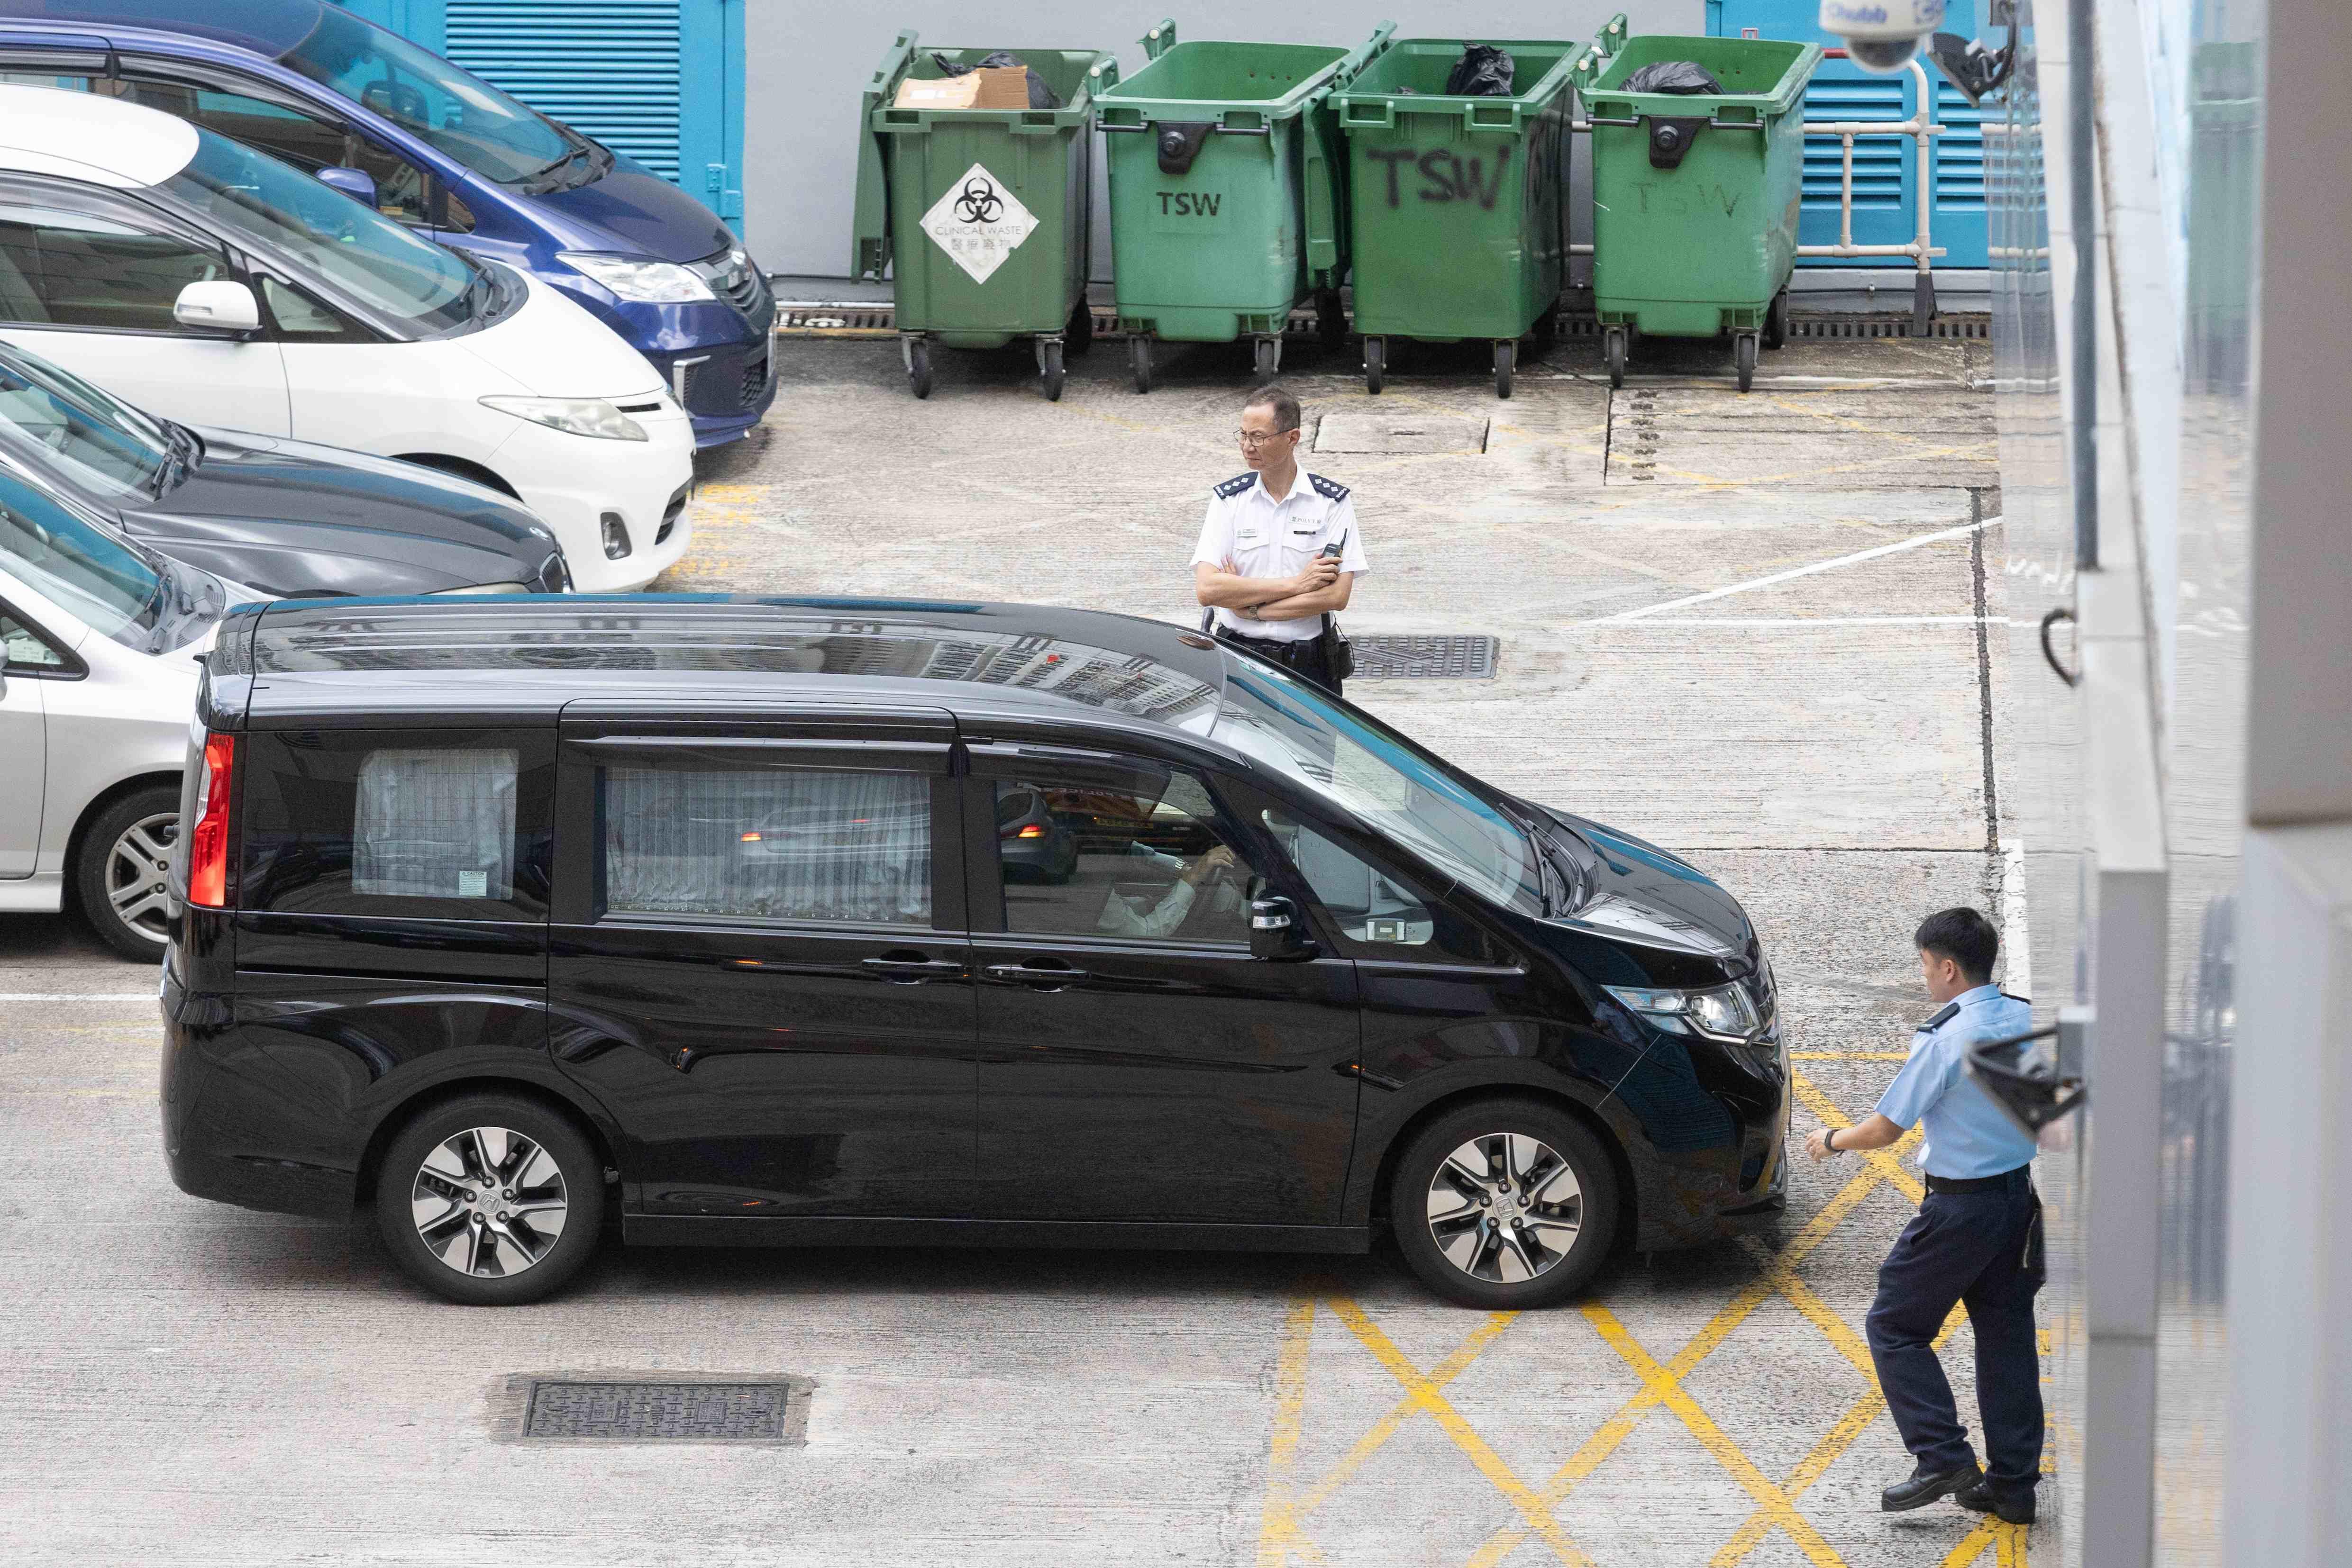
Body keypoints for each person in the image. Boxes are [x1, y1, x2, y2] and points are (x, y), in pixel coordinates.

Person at [1806, 906, 2043, 1526]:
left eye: (1924, 965)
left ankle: (1942, 1457)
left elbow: (1885, 1129)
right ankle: (2013, 1487)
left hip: (1960, 1209)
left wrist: (1831, 1140)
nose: (1924, 977)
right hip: (2018, 1202)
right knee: (2007, 1340)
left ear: (1948, 969)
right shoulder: (2026, 1018)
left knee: (1894, 1325)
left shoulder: (1946, 1038)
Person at [1191, 386, 1368, 698]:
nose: (1247, 446)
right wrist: (1298, 584)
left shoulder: (1331, 503)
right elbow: (1208, 590)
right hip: (1238, 657)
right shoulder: (1229, 501)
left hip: (1309, 664)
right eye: (1243, 435)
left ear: (1292, 437)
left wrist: (1250, 609)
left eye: (1259, 437)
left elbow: (1336, 595)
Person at [1096, 843, 1240, 939]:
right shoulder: (1094, 891)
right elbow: (1144, 935)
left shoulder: (1097, 840)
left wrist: (1184, 871)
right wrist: (1193, 876)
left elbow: (1128, 848)